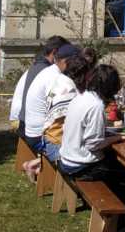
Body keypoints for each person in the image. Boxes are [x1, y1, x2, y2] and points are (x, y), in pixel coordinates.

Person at [22, 45, 91, 181]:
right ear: (67, 62)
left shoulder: (55, 75)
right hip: (40, 136)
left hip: (38, 131)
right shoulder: (62, 82)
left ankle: (36, 164)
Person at [58, 61, 125, 181]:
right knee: (124, 171)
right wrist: (118, 137)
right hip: (80, 166)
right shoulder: (96, 105)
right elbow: (93, 145)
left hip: (67, 159)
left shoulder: (80, 97)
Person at [18, 37, 74, 153]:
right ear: (56, 54)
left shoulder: (39, 67)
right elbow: (58, 105)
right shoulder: (52, 75)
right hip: (39, 134)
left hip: (27, 125)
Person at [9, 35, 69, 136]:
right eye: (65, 57)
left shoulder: (37, 66)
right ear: (54, 52)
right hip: (28, 126)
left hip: (23, 121)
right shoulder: (46, 71)